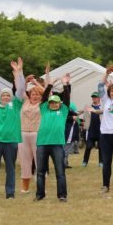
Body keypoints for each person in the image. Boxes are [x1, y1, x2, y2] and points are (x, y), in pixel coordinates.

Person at [35, 69, 72, 202]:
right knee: (40, 172)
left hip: (57, 144)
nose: (54, 104)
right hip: (42, 144)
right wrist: (49, 85)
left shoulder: (63, 111)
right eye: (51, 102)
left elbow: (67, 99)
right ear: (48, 104)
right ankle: (40, 195)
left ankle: (62, 195)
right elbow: (44, 97)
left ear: (59, 104)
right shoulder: (44, 109)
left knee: (60, 172)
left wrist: (65, 84)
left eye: (56, 102)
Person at [0, 56, 25, 199]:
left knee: (10, 169)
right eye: (3, 95)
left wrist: (19, 73)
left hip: (11, 141)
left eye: (8, 95)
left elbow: (21, 89)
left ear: (11, 97)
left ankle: (10, 193)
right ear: (0, 96)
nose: (5, 96)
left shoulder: (16, 104)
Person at [19, 72, 44, 194]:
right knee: (25, 161)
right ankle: (25, 187)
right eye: (33, 94)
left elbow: (46, 93)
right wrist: (25, 81)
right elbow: (20, 90)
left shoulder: (43, 104)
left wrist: (35, 83)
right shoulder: (25, 102)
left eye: (37, 94)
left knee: (39, 161)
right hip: (23, 134)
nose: (35, 96)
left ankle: (40, 186)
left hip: (37, 134)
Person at [82, 91, 103, 167]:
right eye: (93, 97)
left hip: (100, 130)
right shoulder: (88, 106)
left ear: (99, 98)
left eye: (96, 97)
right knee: (88, 146)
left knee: (101, 147)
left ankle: (101, 162)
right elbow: (83, 111)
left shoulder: (102, 106)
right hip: (91, 129)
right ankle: (85, 161)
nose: (94, 98)